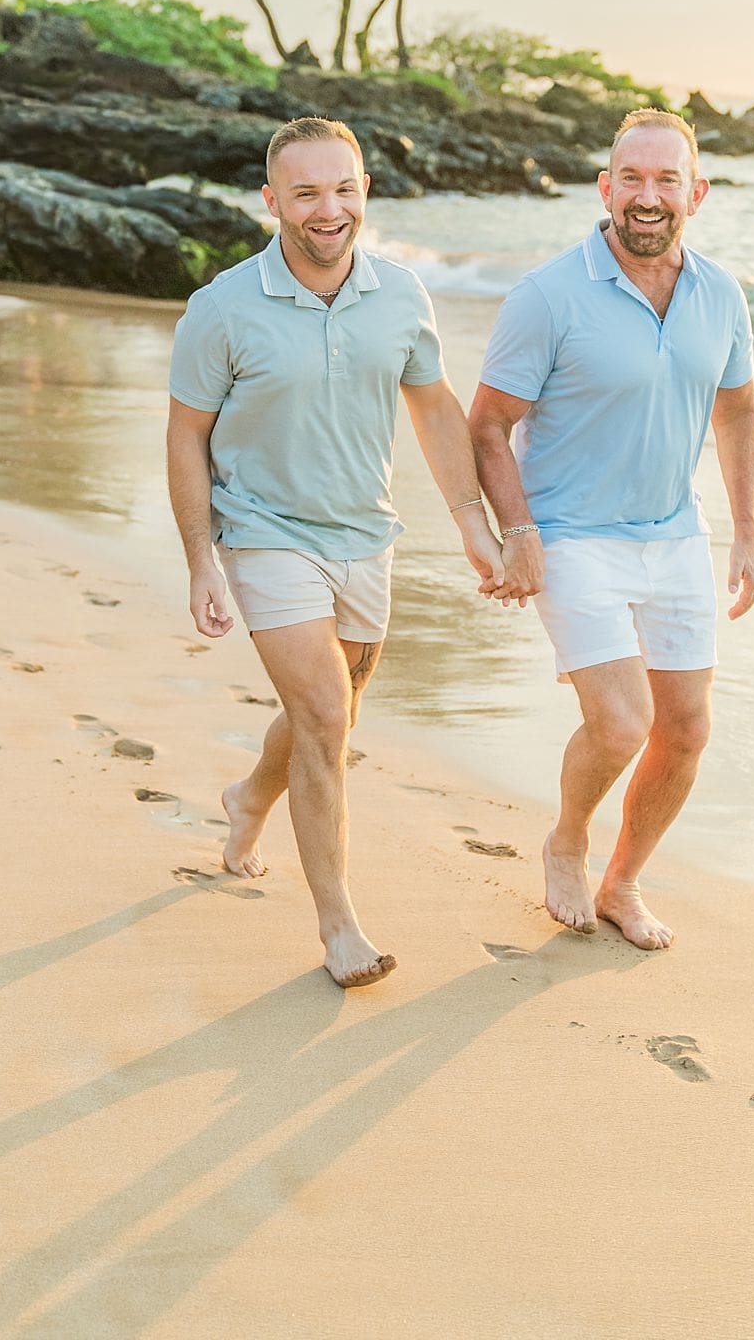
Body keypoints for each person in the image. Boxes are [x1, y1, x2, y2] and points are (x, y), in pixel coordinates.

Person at [167, 116, 503, 988]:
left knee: (338, 707)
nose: (329, 209)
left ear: (365, 194)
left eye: (344, 188)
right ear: (272, 201)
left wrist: (471, 520)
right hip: (263, 530)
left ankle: (249, 798)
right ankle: (339, 925)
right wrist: (202, 557)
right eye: (308, 192)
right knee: (322, 713)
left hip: (365, 532)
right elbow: (185, 436)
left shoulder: (400, 295)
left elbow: (432, 408)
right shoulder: (222, 308)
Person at [469, 109, 754, 952]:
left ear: (696, 195)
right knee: (624, 723)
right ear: (604, 188)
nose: (647, 195)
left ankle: (622, 883)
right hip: (571, 534)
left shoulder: (721, 295)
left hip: (675, 535)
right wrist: (515, 530)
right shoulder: (549, 295)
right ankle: (567, 838)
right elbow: (487, 425)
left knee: (687, 728)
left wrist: (745, 532)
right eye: (631, 178)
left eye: (667, 180)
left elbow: (738, 410)